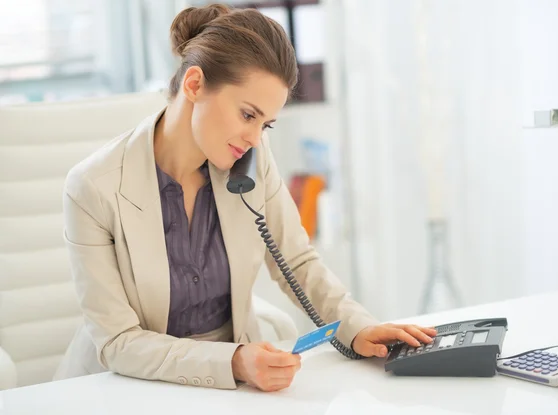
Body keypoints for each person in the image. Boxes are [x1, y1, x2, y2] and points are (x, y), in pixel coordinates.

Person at [54, 3, 436, 392]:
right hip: (124, 385)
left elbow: (298, 260)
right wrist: (233, 361)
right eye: (248, 115)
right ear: (194, 85)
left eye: (266, 123)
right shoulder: (93, 187)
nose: (256, 138)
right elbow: (119, 342)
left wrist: (359, 326)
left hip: (234, 388)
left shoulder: (250, 159)